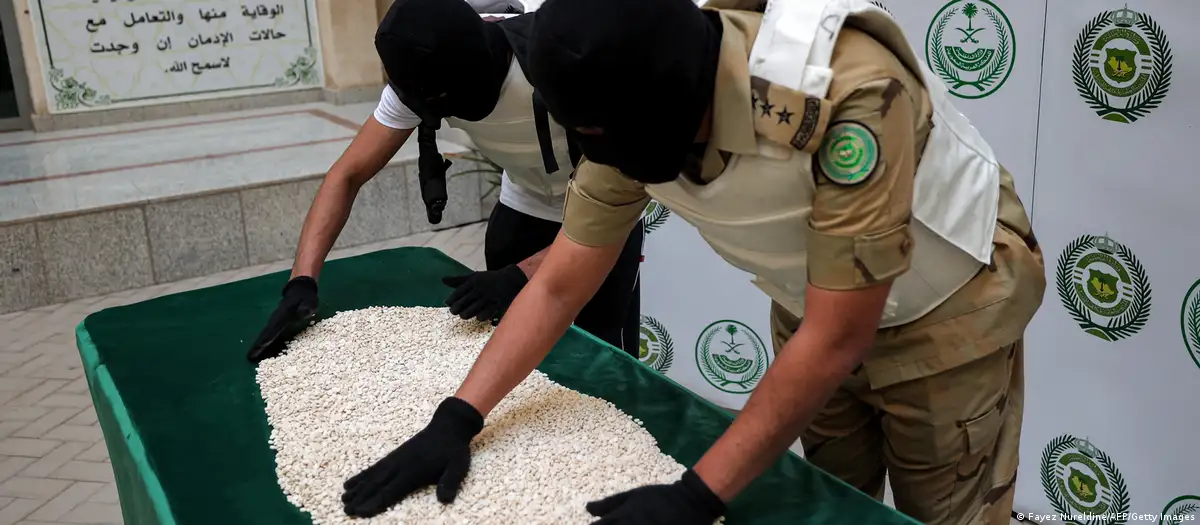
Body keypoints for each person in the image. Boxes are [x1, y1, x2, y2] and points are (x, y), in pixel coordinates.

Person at [338, 0, 1047, 523]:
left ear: (678, 96)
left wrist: (693, 496)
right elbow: (560, 282)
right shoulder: (622, 101)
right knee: (838, 504)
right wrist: (459, 415)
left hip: (948, 311)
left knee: (945, 515)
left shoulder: (842, 92)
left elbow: (841, 334)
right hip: (812, 305)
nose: (624, 165)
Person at [245, 0, 643, 364]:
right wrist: (301, 281)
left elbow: (621, 194)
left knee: (600, 360)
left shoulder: (559, 59)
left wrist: (520, 275)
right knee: (523, 354)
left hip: (605, 220)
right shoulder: (421, 77)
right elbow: (347, 175)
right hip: (524, 206)